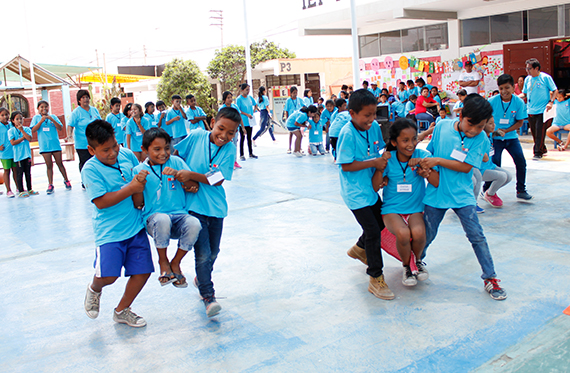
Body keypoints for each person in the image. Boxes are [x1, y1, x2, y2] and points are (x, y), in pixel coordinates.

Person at [418, 94, 507, 300]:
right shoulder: (441, 127)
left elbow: (466, 166)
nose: (474, 130)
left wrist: (438, 160)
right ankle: (416, 262)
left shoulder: (481, 138)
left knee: (477, 236)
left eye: (480, 126)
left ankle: (490, 277)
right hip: (436, 192)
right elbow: (429, 154)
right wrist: (425, 167)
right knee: (427, 234)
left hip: (462, 195)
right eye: (471, 124)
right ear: (461, 115)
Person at [82, 119, 153, 328]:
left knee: (142, 271)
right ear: (91, 150)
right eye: (105, 150)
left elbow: (139, 187)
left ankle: (122, 310)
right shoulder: (90, 169)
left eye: (115, 145)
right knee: (109, 276)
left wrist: (139, 191)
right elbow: (101, 202)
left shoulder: (127, 155)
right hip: (110, 232)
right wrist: (131, 188)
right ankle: (95, 288)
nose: (113, 153)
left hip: (135, 227)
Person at [172, 107, 240, 317]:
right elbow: (176, 155)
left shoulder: (229, 149)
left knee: (213, 252)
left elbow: (218, 178)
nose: (224, 136)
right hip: (193, 207)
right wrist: (180, 178)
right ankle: (208, 297)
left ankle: (201, 279)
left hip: (216, 208)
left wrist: (191, 175)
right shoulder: (195, 136)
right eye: (221, 129)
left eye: (231, 133)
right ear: (212, 122)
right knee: (202, 255)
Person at [337, 89, 393, 299]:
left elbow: (378, 152)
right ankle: (375, 278)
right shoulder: (347, 133)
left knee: (381, 223)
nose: (371, 119)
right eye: (366, 116)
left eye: (373, 114)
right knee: (373, 232)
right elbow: (346, 165)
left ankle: (360, 249)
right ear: (352, 113)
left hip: (370, 188)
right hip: (354, 193)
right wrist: (374, 163)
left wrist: (382, 172)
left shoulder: (375, 127)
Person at [134, 127, 202, 287]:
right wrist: (139, 184)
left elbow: (194, 186)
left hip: (179, 216)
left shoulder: (177, 162)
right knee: (162, 219)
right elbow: (138, 204)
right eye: (157, 149)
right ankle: (163, 261)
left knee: (194, 224)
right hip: (154, 221)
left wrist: (180, 176)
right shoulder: (139, 171)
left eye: (166, 148)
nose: (163, 153)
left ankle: (176, 262)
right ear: (144, 150)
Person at [381, 118, 439, 286]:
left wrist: (424, 169)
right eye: (405, 140)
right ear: (394, 142)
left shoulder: (422, 155)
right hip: (392, 209)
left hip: (415, 208)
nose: (411, 144)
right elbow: (375, 183)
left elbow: (436, 182)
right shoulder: (388, 158)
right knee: (403, 233)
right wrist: (382, 172)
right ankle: (407, 267)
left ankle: (418, 262)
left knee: (420, 233)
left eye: (414, 139)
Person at [486, 74, 532, 201]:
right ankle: (487, 190)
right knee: (494, 163)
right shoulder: (492, 101)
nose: (504, 91)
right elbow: (485, 119)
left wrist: (506, 131)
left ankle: (521, 190)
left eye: (507, 88)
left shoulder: (518, 102)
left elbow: (519, 122)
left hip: (511, 137)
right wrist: (491, 132)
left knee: (521, 162)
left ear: (513, 87)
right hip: (495, 138)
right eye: (501, 88)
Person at [520, 58, 558, 159]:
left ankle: (537, 152)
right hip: (530, 109)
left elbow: (555, 90)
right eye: (526, 69)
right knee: (534, 132)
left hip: (542, 110)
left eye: (529, 69)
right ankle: (543, 148)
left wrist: (551, 102)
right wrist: (515, 97)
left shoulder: (545, 78)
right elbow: (524, 93)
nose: (527, 71)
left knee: (540, 132)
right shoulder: (527, 79)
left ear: (537, 68)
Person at [30, 100, 71, 194]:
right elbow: (33, 129)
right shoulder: (36, 118)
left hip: (55, 144)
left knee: (60, 163)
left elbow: (60, 127)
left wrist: (51, 119)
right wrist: (41, 121)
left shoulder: (53, 117)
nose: (44, 109)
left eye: (46, 106)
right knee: (49, 165)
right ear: (38, 109)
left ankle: (66, 180)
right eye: (42, 107)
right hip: (45, 146)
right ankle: (50, 184)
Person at [472, 117, 512, 210]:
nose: (493, 125)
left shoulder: (488, 135)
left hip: (490, 165)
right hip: (480, 169)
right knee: (501, 176)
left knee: (508, 176)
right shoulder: (480, 136)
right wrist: (482, 155)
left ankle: (490, 194)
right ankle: (472, 203)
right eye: (490, 124)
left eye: (494, 123)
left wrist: (495, 133)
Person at [68, 89, 102, 175]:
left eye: (87, 97)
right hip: (82, 144)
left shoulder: (94, 110)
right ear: (79, 100)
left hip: (95, 142)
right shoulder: (76, 112)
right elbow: (70, 125)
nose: (86, 99)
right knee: (85, 163)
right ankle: (85, 180)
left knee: (97, 161)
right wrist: (69, 136)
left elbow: (100, 123)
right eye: (83, 97)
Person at [8, 111, 37, 197]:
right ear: (13, 121)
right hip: (18, 156)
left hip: (27, 155)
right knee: (19, 173)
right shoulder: (11, 131)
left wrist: (22, 131)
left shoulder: (27, 129)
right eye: (17, 119)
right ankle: (21, 190)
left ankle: (29, 189)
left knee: (28, 173)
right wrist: (22, 138)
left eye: (21, 118)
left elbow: (29, 138)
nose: (19, 121)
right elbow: (13, 142)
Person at [219, 91, 245, 169]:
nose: (230, 99)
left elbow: (239, 117)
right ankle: (228, 162)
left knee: (234, 145)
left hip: (235, 130)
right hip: (226, 131)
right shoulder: (222, 108)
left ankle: (234, 161)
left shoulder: (235, 107)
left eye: (231, 97)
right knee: (227, 145)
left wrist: (243, 128)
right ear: (224, 99)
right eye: (228, 98)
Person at [235, 83, 258, 160]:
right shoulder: (239, 99)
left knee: (249, 138)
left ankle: (250, 153)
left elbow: (255, 104)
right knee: (242, 138)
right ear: (242, 90)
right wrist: (247, 114)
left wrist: (253, 111)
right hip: (243, 122)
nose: (248, 91)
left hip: (250, 121)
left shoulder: (250, 98)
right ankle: (241, 154)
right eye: (246, 90)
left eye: (248, 90)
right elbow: (238, 110)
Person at [0, 107, 17, 197]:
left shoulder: (12, 124)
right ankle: (8, 190)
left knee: (16, 170)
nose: (5, 117)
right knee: (7, 171)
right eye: (2, 115)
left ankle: (18, 187)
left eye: (6, 114)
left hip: (14, 152)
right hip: (4, 153)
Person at [284, 86, 303, 154]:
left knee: (299, 134)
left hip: (298, 119)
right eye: (294, 93)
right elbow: (286, 110)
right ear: (291, 93)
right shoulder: (288, 100)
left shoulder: (299, 100)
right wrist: (287, 119)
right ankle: (289, 147)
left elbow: (303, 106)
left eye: (296, 92)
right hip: (291, 120)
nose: (295, 94)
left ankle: (299, 148)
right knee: (291, 134)